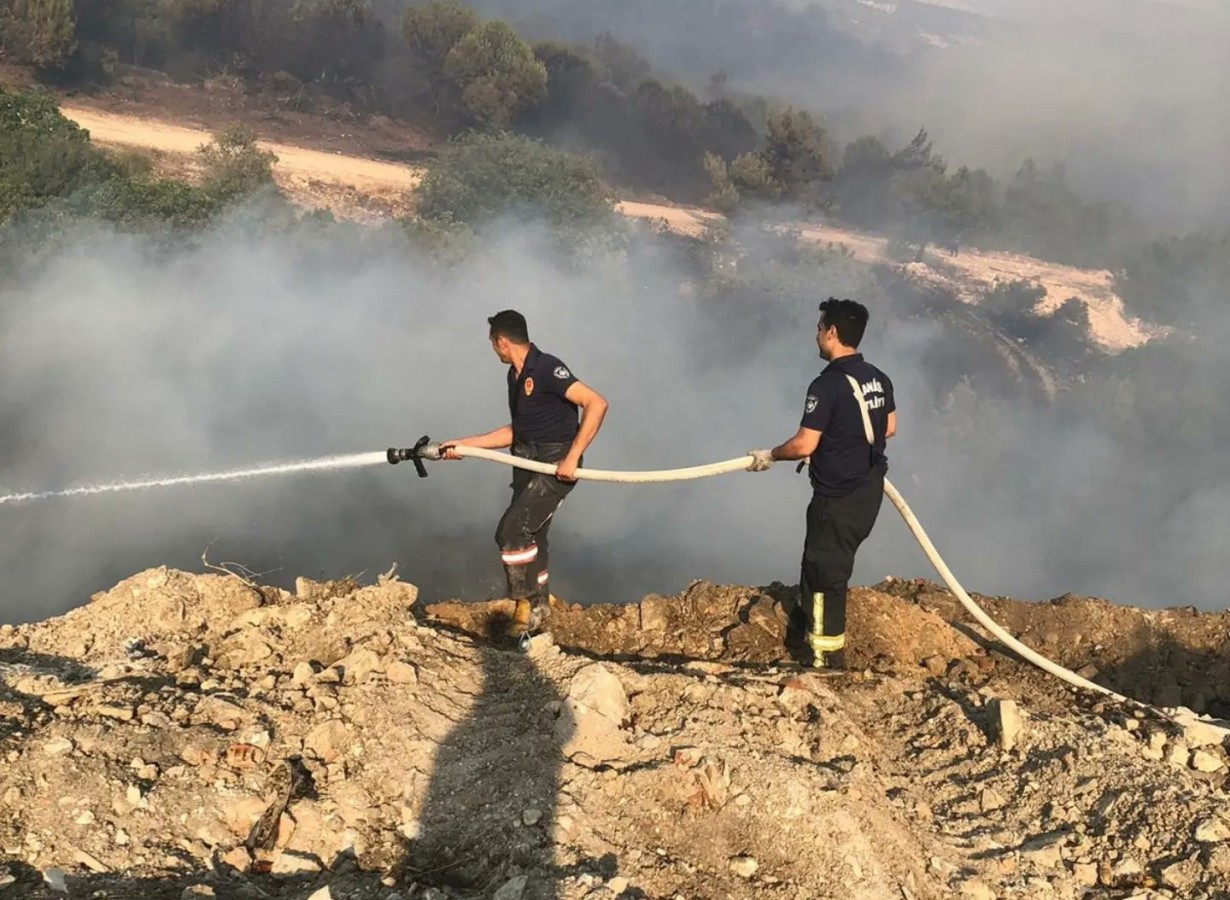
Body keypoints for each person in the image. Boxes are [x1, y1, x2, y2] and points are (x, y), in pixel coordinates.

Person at [440, 310, 609, 644]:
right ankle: (540, 604)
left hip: (554, 462)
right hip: (526, 458)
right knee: (534, 534)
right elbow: (517, 431)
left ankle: (524, 606)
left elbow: (596, 403)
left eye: (493, 344)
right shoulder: (514, 377)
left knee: (512, 529)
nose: (494, 351)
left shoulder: (546, 368)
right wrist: (464, 444)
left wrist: (572, 456)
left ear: (502, 341)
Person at [747, 297, 897, 669]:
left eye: (818, 329)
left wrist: (769, 455)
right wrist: (838, 443)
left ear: (831, 332)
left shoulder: (826, 385)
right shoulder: (878, 377)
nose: (815, 336)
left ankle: (825, 660)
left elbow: (802, 445)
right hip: (868, 490)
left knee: (826, 573)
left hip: (838, 496)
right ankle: (802, 628)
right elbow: (889, 427)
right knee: (821, 562)